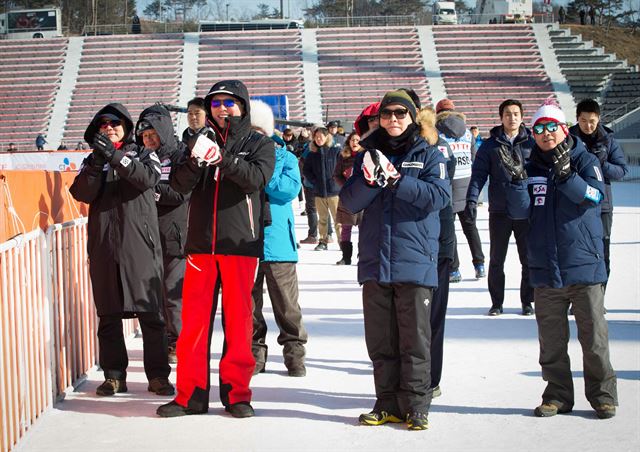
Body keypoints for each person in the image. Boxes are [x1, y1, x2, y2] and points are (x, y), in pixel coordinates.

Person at [156, 80, 275, 419]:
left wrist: (222, 159)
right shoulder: (196, 140)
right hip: (200, 247)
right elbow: (178, 186)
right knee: (193, 325)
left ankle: (238, 394)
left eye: (229, 102)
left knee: (239, 323)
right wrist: (196, 161)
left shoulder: (259, 143)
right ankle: (189, 396)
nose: (222, 108)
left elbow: (256, 179)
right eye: (216, 103)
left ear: (243, 106)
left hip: (240, 245)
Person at [340, 90, 451, 431]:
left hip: (414, 259)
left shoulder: (430, 154)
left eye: (400, 113)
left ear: (413, 117)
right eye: (387, 113)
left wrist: (398, 181)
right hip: (375, 260)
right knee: (381, 339)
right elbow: (350, 202)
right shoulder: (367, 154)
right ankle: (386, 402)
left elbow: (439, 197)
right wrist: (372, 181)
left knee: (414, 339)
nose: (393, 120)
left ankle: (417, 405)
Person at [502, 100, 617, 419]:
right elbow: (520, 211)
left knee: (594, 340)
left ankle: (603, 396)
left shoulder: (585, 159)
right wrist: (514, 183)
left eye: (552, 126)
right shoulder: (531, 165)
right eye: (538, 128)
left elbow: (594, 198)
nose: (545, 133)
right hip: (545, 268)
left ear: (564, 128)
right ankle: (557, 395)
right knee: (551, 344)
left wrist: (567, 177)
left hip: (582, 265)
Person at [69, 103, 174, 397]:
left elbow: (145, 179)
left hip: (140, 248)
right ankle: (114, 376)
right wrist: (98, 162)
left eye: (115, 123)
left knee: (151, 316)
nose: (109, 128)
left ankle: (158, 377)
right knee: (108, 315)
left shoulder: (144, 154)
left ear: (126, 127)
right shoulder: (92, 161)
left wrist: (115, 157)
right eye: (103, 125)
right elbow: (81, 193)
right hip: (104, 248)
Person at [249, 100, 307, 377]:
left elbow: (287, 190)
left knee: (286, 305)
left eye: (259, 131)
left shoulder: (286, 158)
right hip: (244, 242)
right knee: (249, 306)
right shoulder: (238, 159)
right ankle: (254, 354)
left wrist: (262, 170)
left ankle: (295, 355)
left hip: (279, 243)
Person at [466, 99, 535, 316]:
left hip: (526, 210)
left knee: (528, 259)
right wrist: (471, 199)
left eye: (515, 113)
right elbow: (478, 175)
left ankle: (527, 301)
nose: (512, 117)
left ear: (522, 116)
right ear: (501, 117)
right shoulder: (490, 145)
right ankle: (497, 302)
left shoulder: (532, 143)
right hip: (500, 210)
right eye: (507, 114)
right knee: (497, 260)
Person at [136, 105, 190, 364]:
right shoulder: (143, 158)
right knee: (154, 297)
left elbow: (182, 193)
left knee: (173, 295)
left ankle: (180, 342)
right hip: (147, 237)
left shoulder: (180, 155)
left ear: (164, 132)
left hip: (175, 236)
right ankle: (164, 342)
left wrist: (152, 189)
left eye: (152, 135)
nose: (148, 140)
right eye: (144, 136)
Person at [569, 98, 628, 290]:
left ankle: (599, 295)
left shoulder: (608, 140)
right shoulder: (568, 139)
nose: (588, 125)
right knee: (574, 250)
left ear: (599, 119)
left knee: (602, 252)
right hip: (573, 202)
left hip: (601, 205)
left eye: (592, 121)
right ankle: (575, 296)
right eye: (583, 120)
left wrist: (601, 164)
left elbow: (622, 171)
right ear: (577, 119)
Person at [417, 106, 455, 398]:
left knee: (433, 318)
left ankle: (430, 380)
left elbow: (443, 204)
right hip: (414, 248)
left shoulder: (438, 155)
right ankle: (420, 378)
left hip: (438, 244)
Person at [435, 98, 485, 282]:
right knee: (471, 227)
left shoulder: (437, 132)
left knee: (449, 231)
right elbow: (474, 159)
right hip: (467, 184)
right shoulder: (467, 133)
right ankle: (479, 264)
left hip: (448, 185)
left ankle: (454, 269)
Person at [303, 125, 342, 251]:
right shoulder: (312, 154)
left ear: (327, 137)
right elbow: (306, 170)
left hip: (334, 192)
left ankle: (343, 242)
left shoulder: (335, 151)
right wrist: (315, 181)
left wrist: (338, 181)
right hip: (319, 192)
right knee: (323, 219)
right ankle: (323, 241)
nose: (319, 139)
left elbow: (343, 167)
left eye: (321, 137)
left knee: (338, 219)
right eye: (316, 137)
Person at [333, 131, 364, 265]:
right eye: (352, 140)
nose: (354, 142)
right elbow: (336, 175)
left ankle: (363, 256)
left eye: (357, 140)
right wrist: (346, 186)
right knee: (346, 227)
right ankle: (346, 256)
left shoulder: (366, 156)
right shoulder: (343, 157)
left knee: (365, 228)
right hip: (348, 196)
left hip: (364, 197)